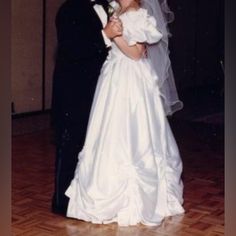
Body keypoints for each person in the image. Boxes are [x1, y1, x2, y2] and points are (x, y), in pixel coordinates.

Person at [65, 0, 185, 226]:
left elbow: (138, 53)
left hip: (130, 80)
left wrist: (115, 37)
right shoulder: (118, 10)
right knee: (109, 133)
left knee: (132, 134)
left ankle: (135, 200)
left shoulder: (136, 12)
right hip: (113, 76)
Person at [51, 0, 123, 216]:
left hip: (100, 88)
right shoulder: (68, 9)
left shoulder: (109, 6)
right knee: (71, 143)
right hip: (75, 91)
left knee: (94, 146)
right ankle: (60, 202)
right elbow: (72, 48)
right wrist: (105, 35)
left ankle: (85, 197)